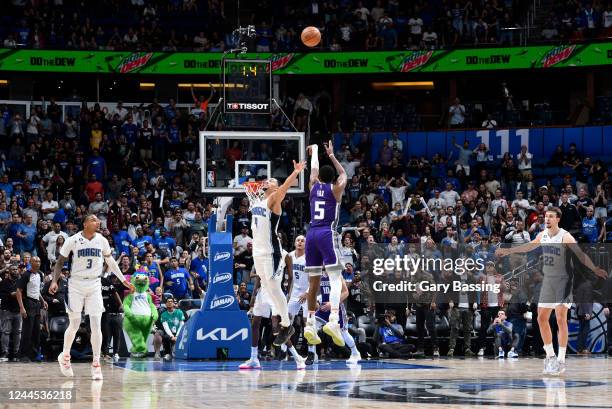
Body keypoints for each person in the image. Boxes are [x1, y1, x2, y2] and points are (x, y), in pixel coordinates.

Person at [496, 207, 606, 375]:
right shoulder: (542, 234)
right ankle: (550, 356)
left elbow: (581, 255)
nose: (547, 219)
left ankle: (561, 359)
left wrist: (595, 268)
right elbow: (528, 247)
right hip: (548, 281)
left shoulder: (565, 236)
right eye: (546, 216)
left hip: (564, 281)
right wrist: (508, 250)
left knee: (561, 318)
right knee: (541, 318)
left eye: (551, 217)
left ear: (558, 219)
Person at [49, 214, 135, 380]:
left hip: (94, 284)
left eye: (98, 220)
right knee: (74, 324)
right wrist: (54, 281)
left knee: (96, 325)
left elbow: (110, 262)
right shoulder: (72, 240)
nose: (98, 222)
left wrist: (124, 281)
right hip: (75, 284)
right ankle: (65, 356)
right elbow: (60, 262)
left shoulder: (102, 240)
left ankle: (96, 363)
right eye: (94, 220)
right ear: (86, 223)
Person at [250, 159, 306, 346]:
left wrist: (296, 172)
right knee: (266, 288)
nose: (268, 181)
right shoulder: (258, 199)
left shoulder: (274, 199)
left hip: (269, 252)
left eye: (272, 181)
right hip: (257, 252)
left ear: (275, 188)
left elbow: (284, 188)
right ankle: (284, 322)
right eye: (268, 180)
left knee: (274, 287)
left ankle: (287, 324)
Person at [304, 141, 348, 348]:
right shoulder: (336, 189)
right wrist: (331, 155)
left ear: (320, 177)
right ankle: (332, 320)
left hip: (310, 234)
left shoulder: (313, 185)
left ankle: (310, 324)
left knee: (313, 283)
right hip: (326, 233)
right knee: (335, 278)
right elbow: (344, 174)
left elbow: (313, 169)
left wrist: (313, 152)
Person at [239, 272, 306, 370]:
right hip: (262, 292)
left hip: (275, 292)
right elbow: (259, 275)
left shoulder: (284, 257)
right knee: (254, 324)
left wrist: (287, 297)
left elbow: (291, 277)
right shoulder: (260, 257)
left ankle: (298, 358)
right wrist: (253, 295)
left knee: (277, 328)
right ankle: (254, 359)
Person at [307, 272, 361, 365]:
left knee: (343, 332)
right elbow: (317, 292)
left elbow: (346, 292)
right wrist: (316, 302)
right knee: (311, 328)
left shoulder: (337, 274)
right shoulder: (320, 275)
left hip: (337, 308)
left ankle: (355, 353)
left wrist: (332, 303)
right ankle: (312, 354)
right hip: (324, 308)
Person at [15, 257, 47, 362]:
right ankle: (23, 355)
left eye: (39, 261)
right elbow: (19, 291)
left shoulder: (40, 275)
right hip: (28, 303)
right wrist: (22, 308)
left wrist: (43, 301)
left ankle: (34, 354)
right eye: (35, 261)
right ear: (31, 262)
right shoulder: (26, 275)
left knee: (36, 331)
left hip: (37, 304)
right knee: (27, 331)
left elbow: (37, 290)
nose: (38, 263)